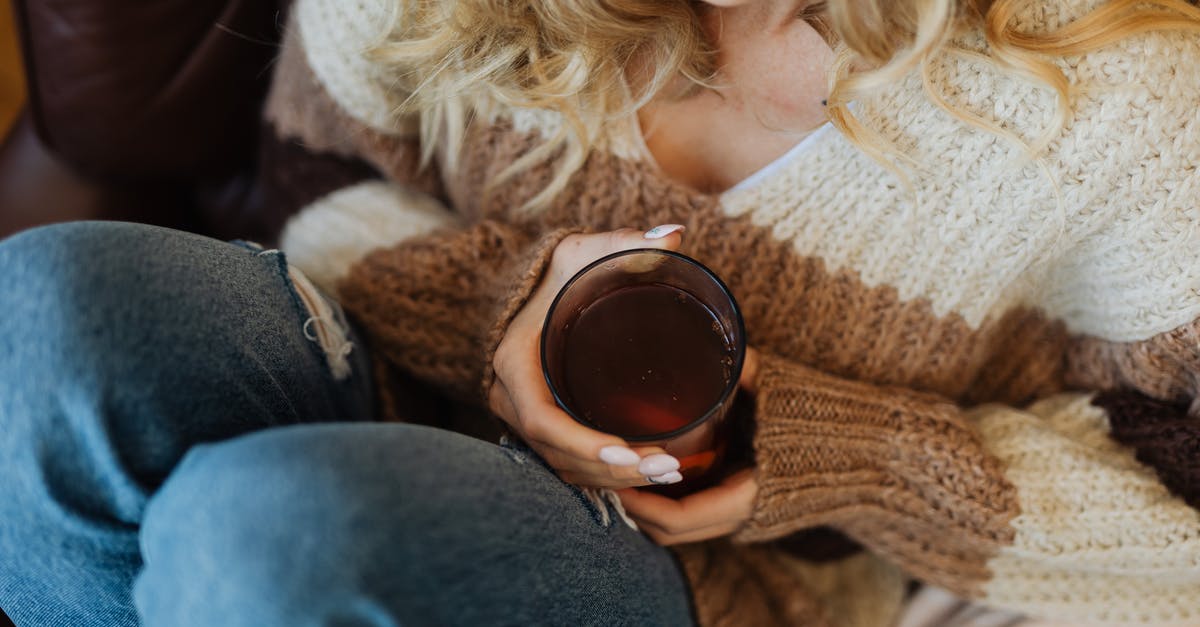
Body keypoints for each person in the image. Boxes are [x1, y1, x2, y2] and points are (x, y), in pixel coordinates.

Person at [2, 0, 1199, 625]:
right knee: (43, 319)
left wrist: (840, 454)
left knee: (269, 533)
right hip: (383, 372)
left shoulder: (1118, 103)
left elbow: (1182, 508)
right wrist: (497, 314)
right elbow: (317, 168)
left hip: (724, 583)